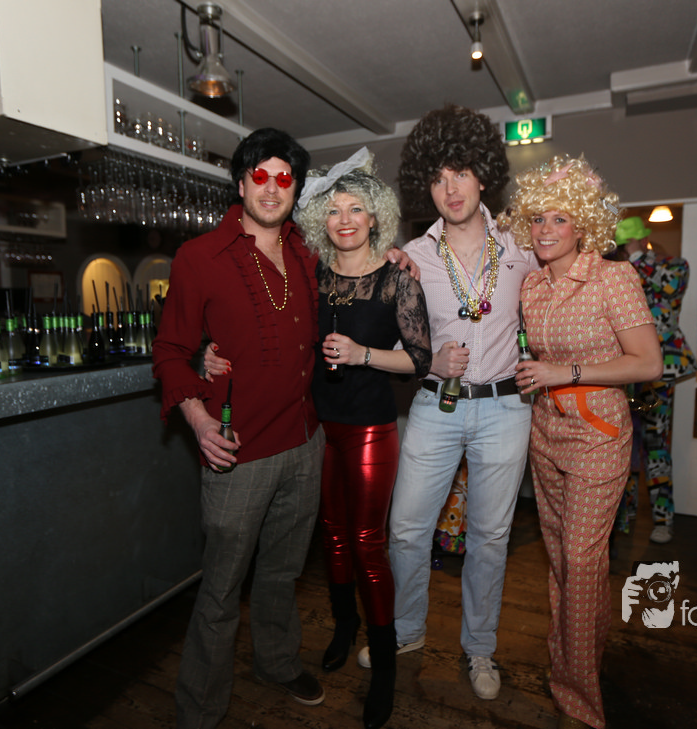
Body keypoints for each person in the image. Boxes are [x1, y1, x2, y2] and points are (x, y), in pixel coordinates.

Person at [203, 148, 430, 729]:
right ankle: (345, 626)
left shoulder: (397, 279)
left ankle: (384, 664)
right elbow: (256, 320)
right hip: (314, 429)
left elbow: (420, 361)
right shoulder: (312, 274)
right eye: (333, 210)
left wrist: (362, 355)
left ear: (375, 217)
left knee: (367, 542)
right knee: (329, 537)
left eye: (356, 209)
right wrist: (208, 350)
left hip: (371, 428)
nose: (344, 220)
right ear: (319, 220)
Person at [152, 128, 326, 726]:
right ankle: (200, 710)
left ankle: (276, 663)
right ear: (240, 182)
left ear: (296, 188)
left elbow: (365, 263)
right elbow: (170, 351)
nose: (272, 188)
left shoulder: (307, 254)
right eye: (260, 176)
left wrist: (400, 255)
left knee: (282, 573)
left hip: (304, 441)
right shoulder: (199, 257)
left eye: (285, 178)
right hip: (238, 452)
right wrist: (198, 419)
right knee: (222, 589)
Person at [367, 104, 539, 702]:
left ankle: (480, 648)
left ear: (483, 174)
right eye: (439, 178)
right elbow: (394, 342)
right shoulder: (410, 258)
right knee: (406, 530)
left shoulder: (521, 248)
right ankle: (406, 631)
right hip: (434, 406)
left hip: (505, 410)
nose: (451, 189)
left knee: (490, 538)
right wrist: (429, 361)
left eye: (461, 172)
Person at [506, 154, 663, 729]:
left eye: (559, 219)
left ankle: (578, 695)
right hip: (546, 434)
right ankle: (576, 655)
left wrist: (565, 373)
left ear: (583, 225)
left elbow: (648, 363)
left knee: (581, 558)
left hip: (598, 435)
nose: (545, 230)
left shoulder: (612, 277)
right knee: (565, 562)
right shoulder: (532, 285)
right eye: (537, 219)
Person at [612, 216, 697, 544]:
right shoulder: (618, 271)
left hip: (658, 374)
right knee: (624, 442)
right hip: (624, 370)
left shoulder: (674, 266)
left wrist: (636, 256)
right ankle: (625, 515)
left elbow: (671, 287)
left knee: (655, 443)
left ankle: (663, 520)